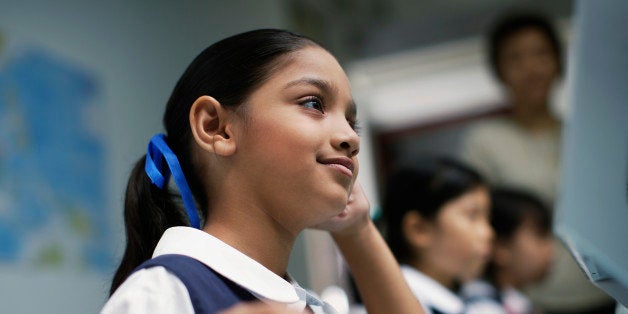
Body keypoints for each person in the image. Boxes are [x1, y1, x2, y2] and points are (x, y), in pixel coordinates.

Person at [100, 29, 424, 314]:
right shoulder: (160, 293)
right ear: (217, 127)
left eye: (352, 123)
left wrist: (357, 229)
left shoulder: (305, 304)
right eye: (313, 104)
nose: (351, 138)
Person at [460, 11, 615, 313]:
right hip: (532, 301)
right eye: (515, 58)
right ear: (499, 71)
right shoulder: (485, 142)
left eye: (541, 53)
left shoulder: (590, 135)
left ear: (560, 62)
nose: (530, 68)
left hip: (611, 289)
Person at [380, 157, 494, 314]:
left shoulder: (475, 299)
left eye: (487, 218)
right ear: (419, 229)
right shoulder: (390, 305)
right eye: (472, 216)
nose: (488, 233)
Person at [462, 187, 555, 314]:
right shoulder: (481, 305)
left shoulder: (515, 300)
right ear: (501, 248)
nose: (550, 248)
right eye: (540, 235)